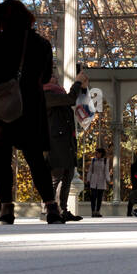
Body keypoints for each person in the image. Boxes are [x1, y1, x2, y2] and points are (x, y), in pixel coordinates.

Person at [0, 0, 61, 225]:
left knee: (2, 160)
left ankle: (6, 210)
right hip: (31, 109)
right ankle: (51, 207)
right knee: (36, 160)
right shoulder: (42, 45)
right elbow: (44, 77)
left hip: (2, 109)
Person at [42, 68, 88, 223]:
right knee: (56, 177)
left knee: (67, 176)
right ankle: (47, 209)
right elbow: (70, 99)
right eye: (52, 76)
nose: (55, 77)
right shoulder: (46, 94)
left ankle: (63, 210)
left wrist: (82, 87)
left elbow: (72, 99)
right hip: (55, 143)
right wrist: (77, 82)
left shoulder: (59, 93)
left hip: (67, 141)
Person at [85, 147, 109, 217]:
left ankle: (98, 211)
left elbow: (106, 171)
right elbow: (90, 170)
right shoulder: (93, 160)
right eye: (96, 153)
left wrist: (108, 179)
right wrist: (88, 179)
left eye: (97, 153)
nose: (96, 154)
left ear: (101, 153)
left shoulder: (105, 161)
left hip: (101, 181)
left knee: (99, 197)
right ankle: (93, 212)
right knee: (93, 197)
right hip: (93, 180)